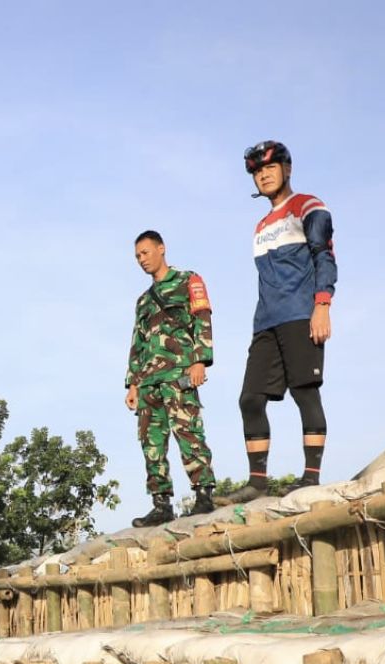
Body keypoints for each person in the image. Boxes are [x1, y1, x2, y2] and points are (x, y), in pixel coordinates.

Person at [222, 141, 337, 504]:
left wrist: (322, 304)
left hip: (301, 314)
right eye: (257, 171)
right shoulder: (260, 225)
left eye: (271, 167)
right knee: (250, 399)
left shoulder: (307, 205)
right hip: (265, 323)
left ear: (287, 168)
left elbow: (325, 256)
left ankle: (310, 477)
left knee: (305, 392)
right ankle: (258, 482)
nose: (264, 174)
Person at [124, 230, 217, 527]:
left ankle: (203, 495)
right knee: (151, 444)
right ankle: (161, 504)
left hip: (179, 374)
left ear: (161, 249)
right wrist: (133, 383)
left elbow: (202, 318)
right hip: (149, 382)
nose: (141, 260)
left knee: (189, 433)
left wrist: (200, 360)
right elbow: (137, 342)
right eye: (137, 256)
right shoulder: (142, 301)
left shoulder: (188, 280)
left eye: (146, 253)